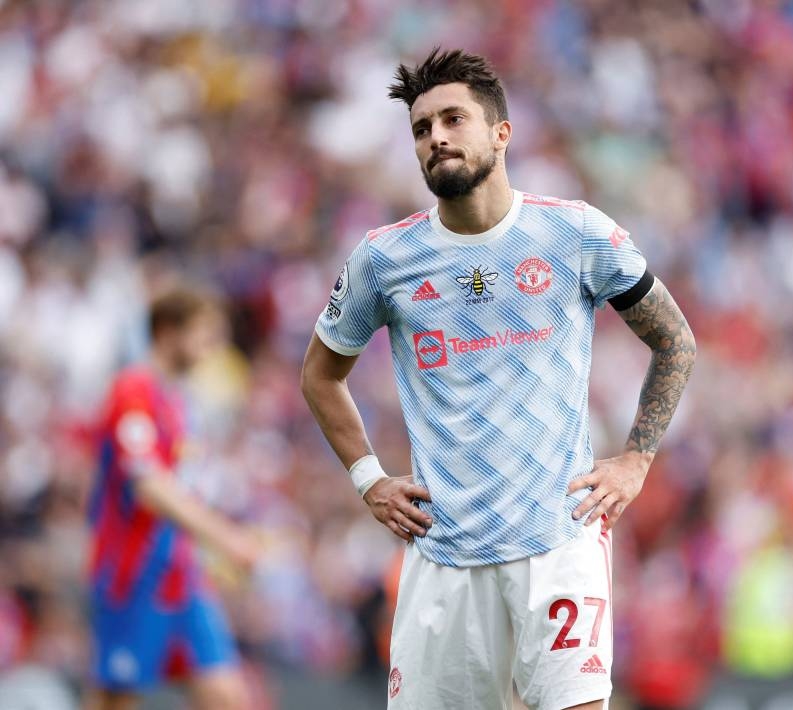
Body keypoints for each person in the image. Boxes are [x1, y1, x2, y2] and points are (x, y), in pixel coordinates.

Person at [301, 47, 696, 710]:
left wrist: (636, 460)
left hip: (558, 540)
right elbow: (320, 375)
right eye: (422, 128)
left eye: (453, 119)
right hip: (444, 556)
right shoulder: (385, 259)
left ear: (501, 132)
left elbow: (674, 340)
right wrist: (369, 479)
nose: (436, 137)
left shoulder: (575, 233)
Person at [85, 287, 257, 710]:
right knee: (115, 699)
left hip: (182, 574)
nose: (213, 347)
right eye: (204, 334)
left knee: (226, 696)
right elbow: (148, 486)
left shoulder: (179, 401)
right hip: (134, 573)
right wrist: (224, 536)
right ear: (167, 331)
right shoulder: (133, 391)